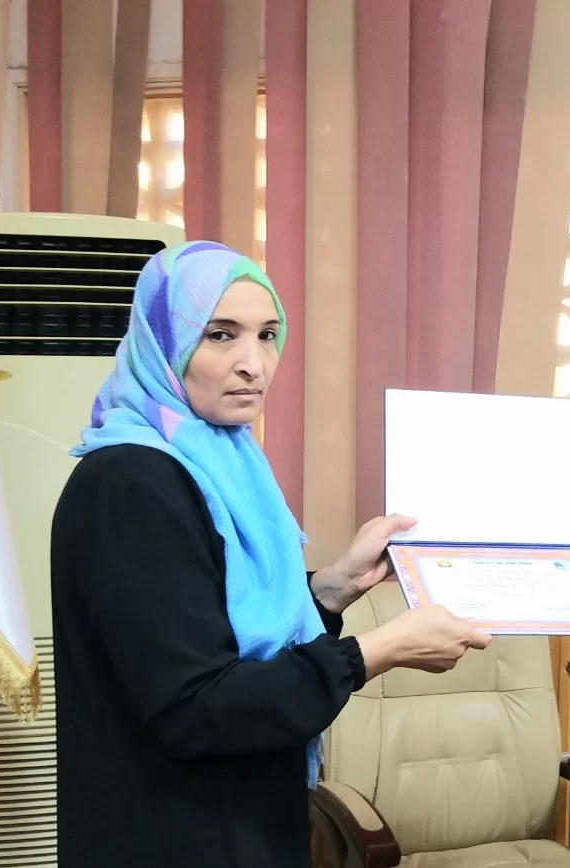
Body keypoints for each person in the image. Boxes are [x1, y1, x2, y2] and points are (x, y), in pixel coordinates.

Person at [50, 241, 491, 867]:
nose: (253, 364)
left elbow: (217, 628)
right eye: (220, 335)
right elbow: (197, 706)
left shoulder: (218, 459)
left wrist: (330, 590)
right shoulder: (131, 482)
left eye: (268, 336)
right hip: (168, 836)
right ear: (162, 343)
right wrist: (375, 652)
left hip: (237, 821)